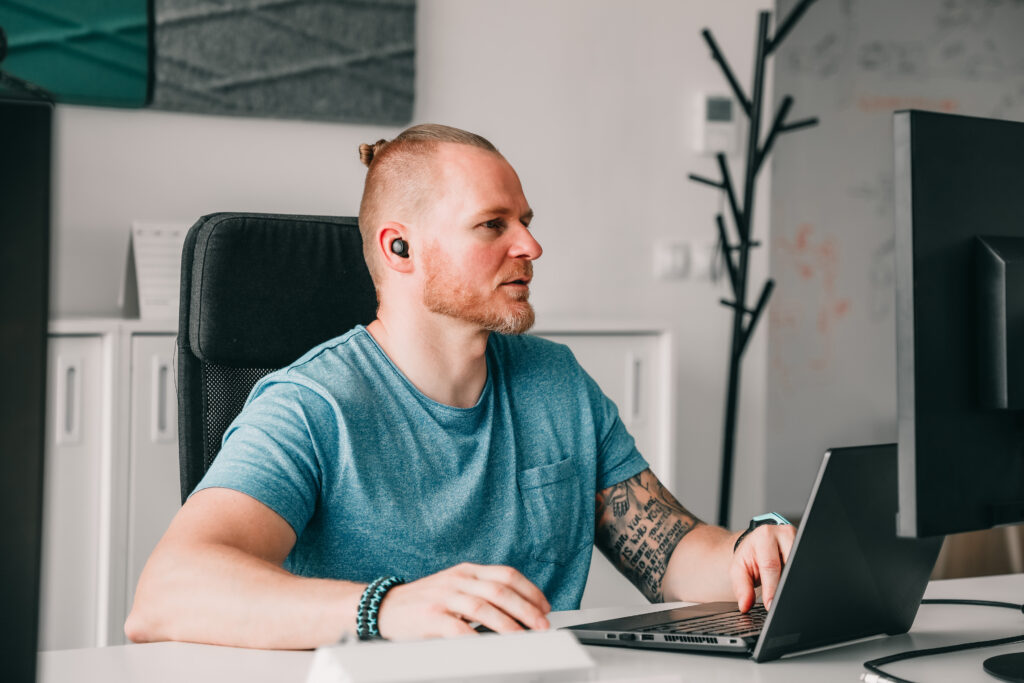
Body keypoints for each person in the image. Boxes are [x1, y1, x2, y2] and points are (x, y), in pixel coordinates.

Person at [124, 124, 795, 650]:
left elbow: (671, 553)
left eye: (526, 220)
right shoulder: (310, 405)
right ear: (400, 249)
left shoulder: (555, 382)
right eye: (493, 224)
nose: (531, 246)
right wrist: (385, 607)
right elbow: (166, 594)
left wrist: (750, 552)